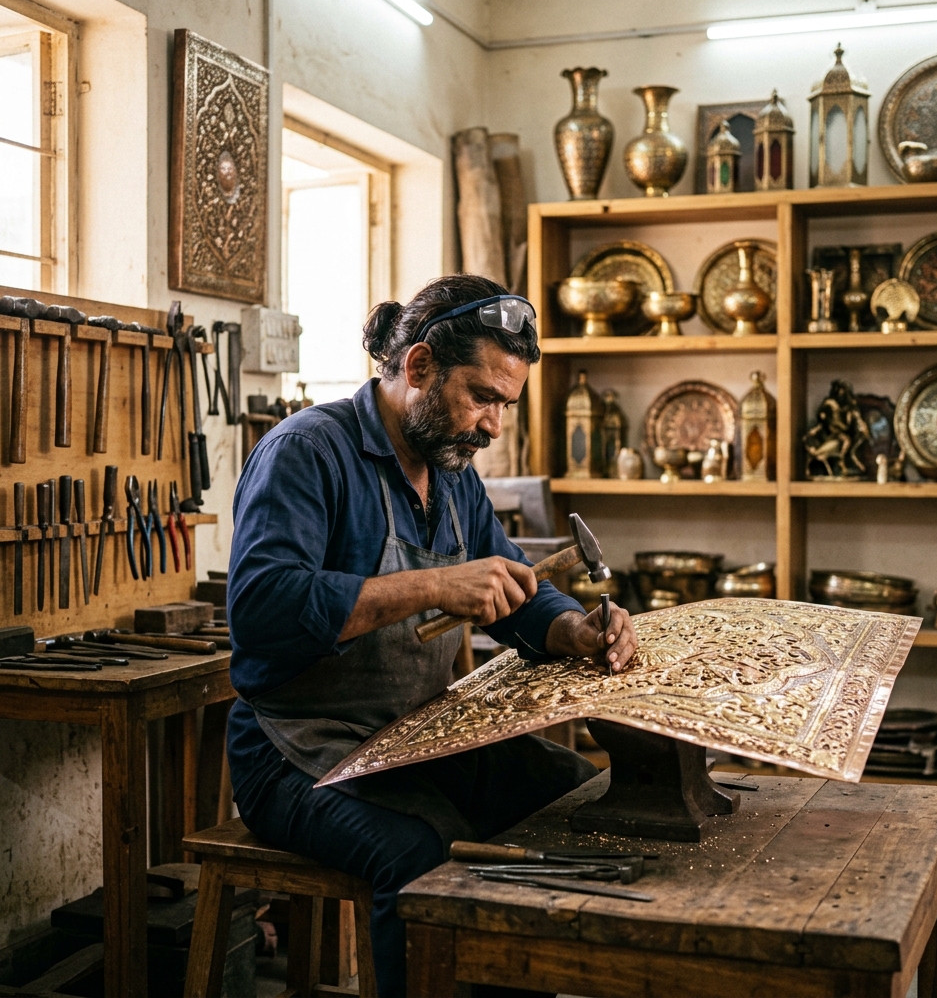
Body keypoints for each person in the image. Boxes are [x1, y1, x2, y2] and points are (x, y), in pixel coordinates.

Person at [227, 274, 638, 996]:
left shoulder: (452, 475)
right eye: (482, 397)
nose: (493, 427)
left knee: (578, 799)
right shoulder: (307, 452)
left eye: (505, 406)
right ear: (418, 367)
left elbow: (513, 587)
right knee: (426, 854)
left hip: (416, 738)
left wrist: (571, 628)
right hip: (296, 749)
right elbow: (261, 610)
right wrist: (430, 586)